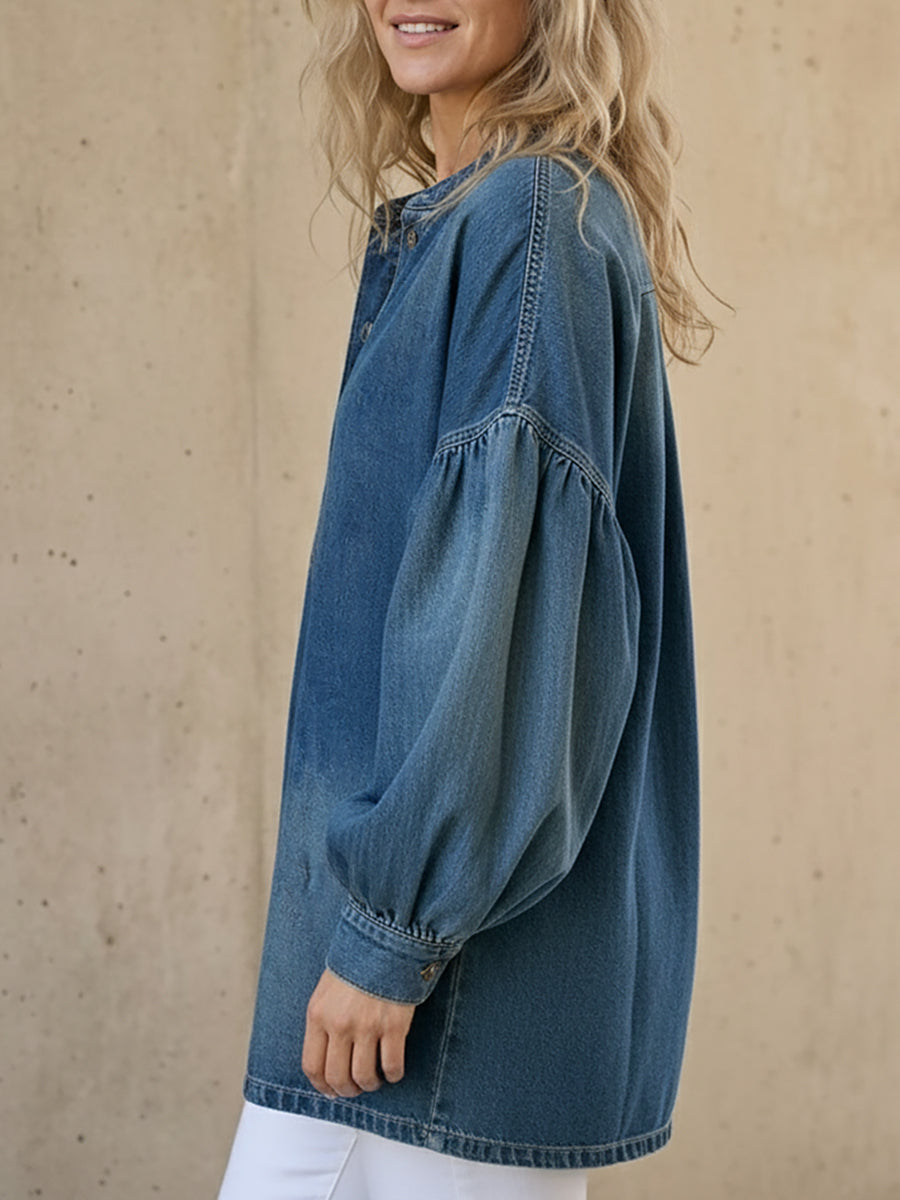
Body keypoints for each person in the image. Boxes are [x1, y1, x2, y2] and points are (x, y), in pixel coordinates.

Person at [217, 0, 723, 1196]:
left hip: (431, 1013)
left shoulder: (528, 221)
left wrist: (389, 934)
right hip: (438, 1005)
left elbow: (502, 610)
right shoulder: (491, 218)